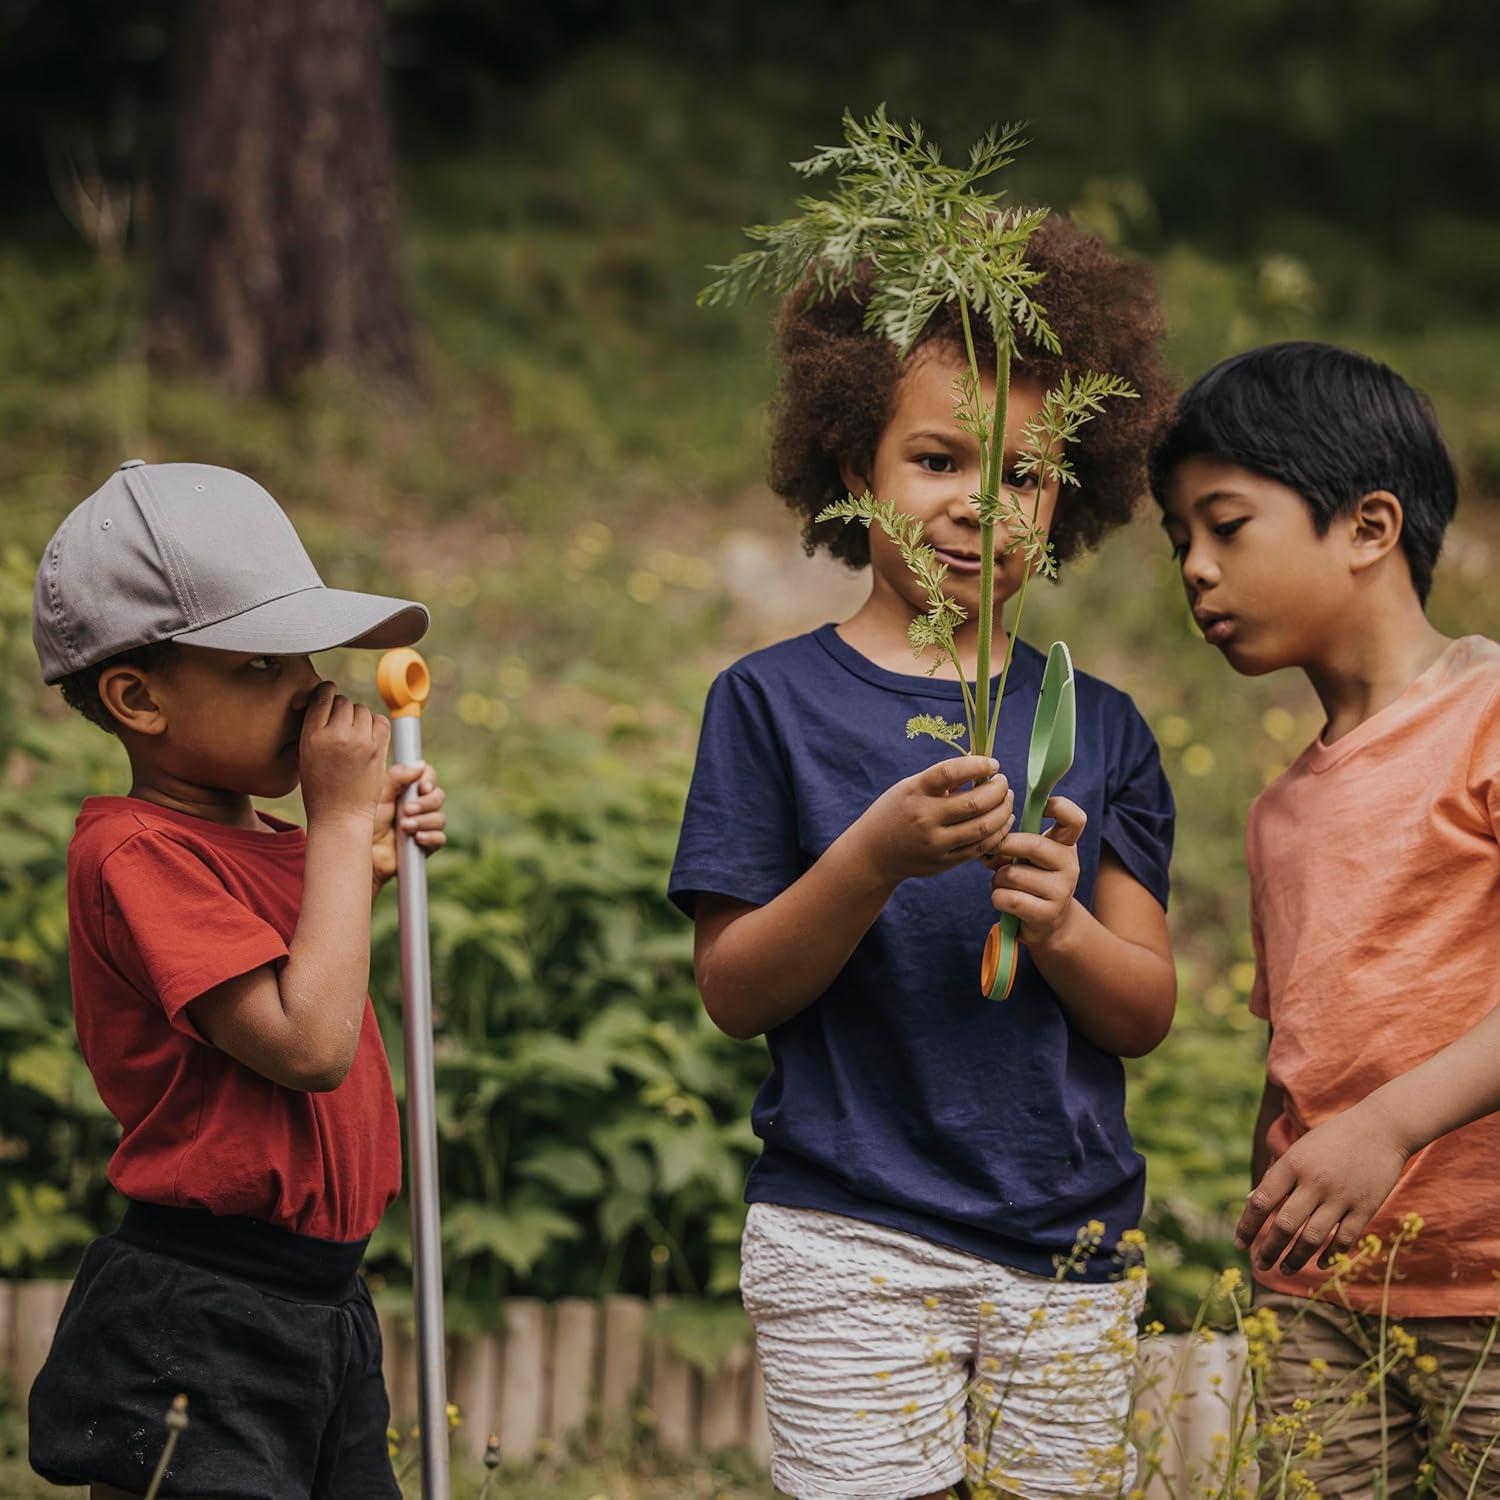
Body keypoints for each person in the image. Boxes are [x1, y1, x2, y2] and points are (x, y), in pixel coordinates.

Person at [670, 217, 1178, 1499]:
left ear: (1069, 496)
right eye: (939, 458)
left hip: (1066, 1245)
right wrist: (873, 860)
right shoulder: (769, 703)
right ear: (854, 464)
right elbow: (733, 989)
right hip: (848, 1235)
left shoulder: (1101, 724)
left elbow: (1147, 1010)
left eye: (1025, 475)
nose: (980, 503)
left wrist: (1061, 930)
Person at [26, 460, 447, 1500]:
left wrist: (372, 849)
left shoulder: (265, 840)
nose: (310, 686)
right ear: (138, 698)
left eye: (304, 653)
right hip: (202, 1314)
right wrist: (346, 829)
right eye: (260, 667)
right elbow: (307, 1042)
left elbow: (308, 941)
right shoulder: (134, 854)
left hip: (323, 1303)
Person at [1153, 342, 1500, 1493]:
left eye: (1226, 524)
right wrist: (1269, 1219)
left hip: (1489, 1294)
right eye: (1180, 542)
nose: (1195, 569)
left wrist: (1391, 1125)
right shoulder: (1280, 811)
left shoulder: (1489, 718)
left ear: (1368, 527)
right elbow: (1298, 1044)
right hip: (1315, 1300)